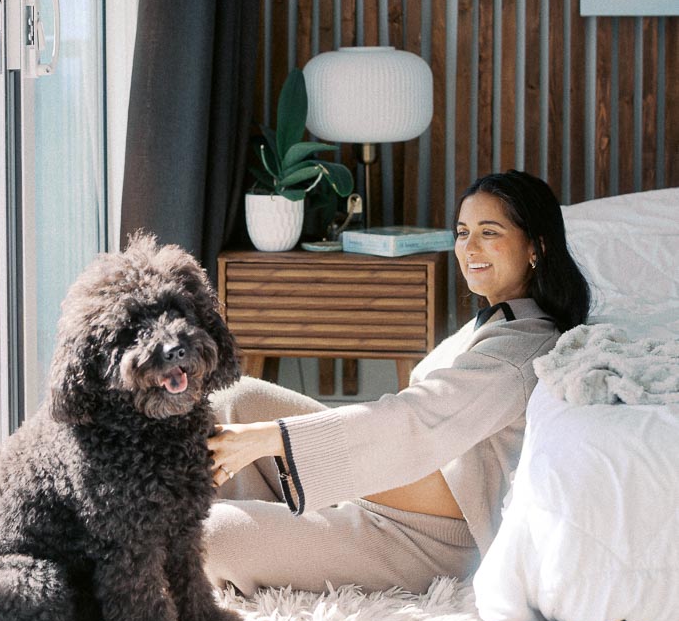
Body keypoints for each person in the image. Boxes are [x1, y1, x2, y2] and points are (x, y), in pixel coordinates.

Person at [204, 169, 591, 596]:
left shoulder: (521, 347)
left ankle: (240, 538)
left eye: (489, 232)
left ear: (536, 246)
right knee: (238, 399)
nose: (470, 248)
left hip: (423, 540)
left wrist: (270, 438)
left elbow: (417, 418)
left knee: (207, 534)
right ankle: (246, 523)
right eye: (463, 232)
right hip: (374, 488)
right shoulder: (493, 323)